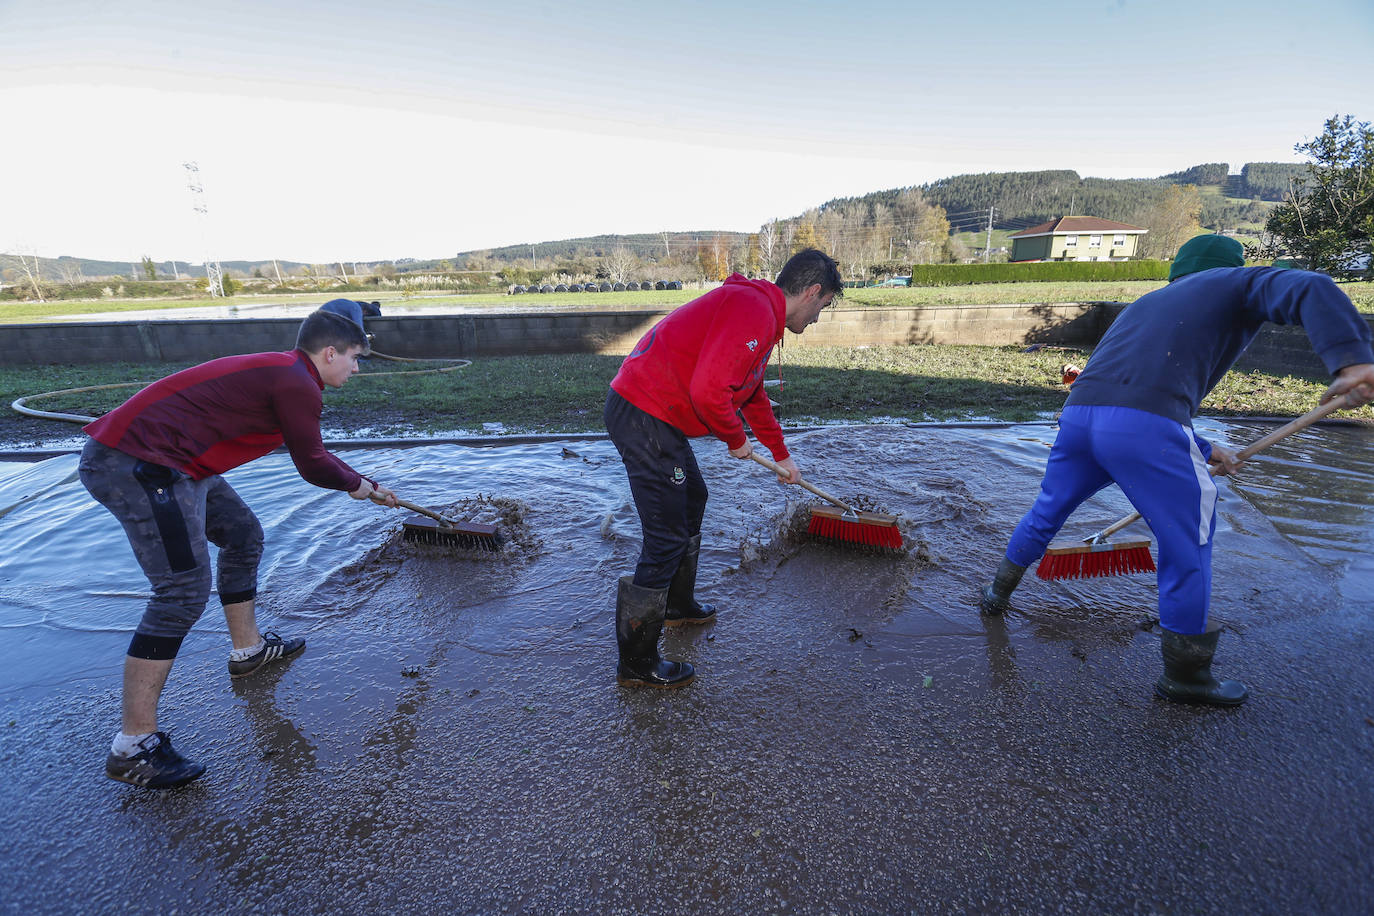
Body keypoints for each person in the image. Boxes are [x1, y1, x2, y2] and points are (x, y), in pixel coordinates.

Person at [978, 235, 1374, 706]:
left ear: (1178, 271)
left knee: (1048, 510)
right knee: (1190, 536)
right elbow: (1310, 286)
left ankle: (996, 594)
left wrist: (1204, 447)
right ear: (1230, 266)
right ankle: (1186, 676)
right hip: (1146, 428)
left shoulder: (1147, 303)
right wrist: (1352, 361)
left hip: (1080, 417)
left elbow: (1130, 389)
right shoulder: (1235, 282)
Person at [80, 298, 399, 788]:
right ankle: (133, 746)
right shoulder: (296, 382)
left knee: (242, 533)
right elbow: (312, 462)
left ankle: (248, 652)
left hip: (179, 463)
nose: (357, 369)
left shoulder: (289, 373)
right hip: (138, 463)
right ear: (331, 353)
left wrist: (361, 481)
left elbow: (311, 452)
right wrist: (362, 487)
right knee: (181, 592)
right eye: (355, 358)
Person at [604, 249, 843, 688]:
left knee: (694, 497)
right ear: (812, 293)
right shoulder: (753, 311)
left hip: (658, 414)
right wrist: (736, 440)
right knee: (666, 537)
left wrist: (780, 454)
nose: (817, 318)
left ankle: (676, 607)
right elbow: (710, 392)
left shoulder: (762, 314)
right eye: (823, 307)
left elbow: (749, 393)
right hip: (643, 413)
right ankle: (636, 664)